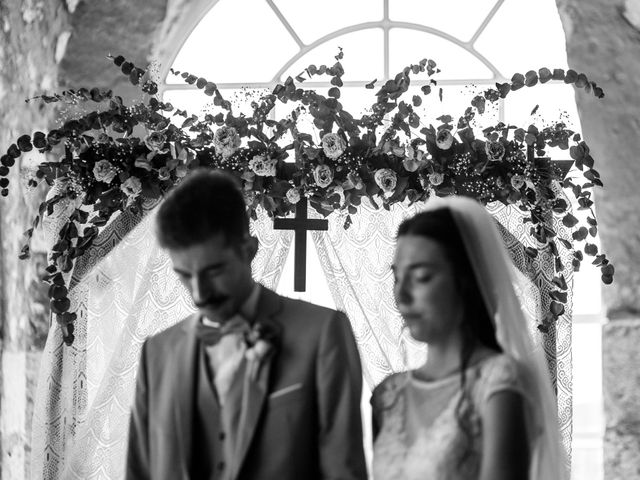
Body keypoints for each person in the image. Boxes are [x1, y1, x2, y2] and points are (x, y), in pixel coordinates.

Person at [126, 169, 367, 480]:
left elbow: (343, 471)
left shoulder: (322, 333)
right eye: (185, 275)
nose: (200, 294)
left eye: (213, 271)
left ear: (249, 250)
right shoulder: (157, 352)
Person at [371, 196, 566, 480]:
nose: (402, 296)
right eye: (397, 277)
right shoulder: (388, 395)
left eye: (422, 276)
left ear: (467, 281)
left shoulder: (500, 383)